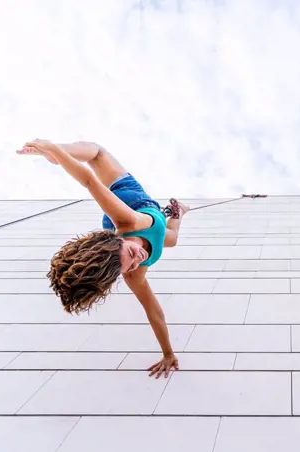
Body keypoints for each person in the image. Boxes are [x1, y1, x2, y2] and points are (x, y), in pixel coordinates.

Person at [17, 140, 189, 379]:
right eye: (132, 265)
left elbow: (89, 181)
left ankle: (57, 153)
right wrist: (168, 353)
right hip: (157, 227)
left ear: (118, 241)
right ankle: (180, 210)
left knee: (97, 153)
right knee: (170, 239)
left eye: (130, 254)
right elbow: (154, 312)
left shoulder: (127, 221)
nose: (139, 259)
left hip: (129, 197)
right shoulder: (133, 272)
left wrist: (54, 150)